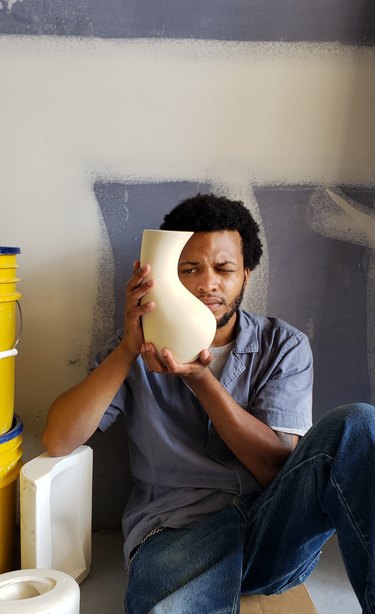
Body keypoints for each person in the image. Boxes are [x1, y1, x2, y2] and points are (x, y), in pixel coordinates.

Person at [43, 193, 375, 614]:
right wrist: (128, 348)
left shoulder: (284, 345)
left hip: (269, 529)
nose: (207, 283)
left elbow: (275, 465)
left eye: (224, 269)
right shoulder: (134, 351)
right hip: (176, 530)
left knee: (360, 424)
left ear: (246, 276)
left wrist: (200, 380)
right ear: (165, 275)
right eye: (189, 269)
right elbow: (57, 438)